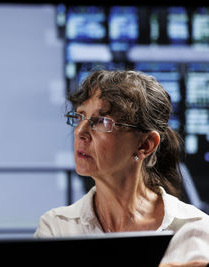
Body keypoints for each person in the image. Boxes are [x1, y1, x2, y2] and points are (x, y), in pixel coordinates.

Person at [34, 70, 209, 266]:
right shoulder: (57, 229)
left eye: (101, 121)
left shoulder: (195, 231)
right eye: (80, 116)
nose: (80, 133)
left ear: (145, 145)